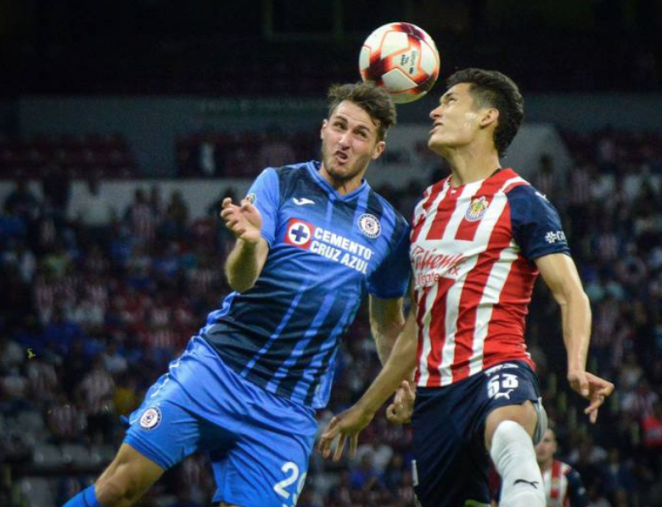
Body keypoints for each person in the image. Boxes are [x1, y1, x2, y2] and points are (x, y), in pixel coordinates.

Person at [61, 82, 411, 507]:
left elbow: (387, 322)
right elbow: (242, 279)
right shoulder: (280, 183)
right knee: (120, 487)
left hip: (286, 411)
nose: (345, 141)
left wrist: (402, 381)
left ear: (377, 149)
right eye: (339, 126)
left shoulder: (390, 228)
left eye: (360, 134)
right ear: (323, 129)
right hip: (217, 370)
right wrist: (247, 243)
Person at [319, 68, 614, 507]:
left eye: (450, 101)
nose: (434, 111)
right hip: (435, 396)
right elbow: (419, 324)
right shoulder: (427, 205)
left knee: (510, 432)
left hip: (496, 366)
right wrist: (365, 409)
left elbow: (571, 294)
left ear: (487, 117)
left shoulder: (521, 200)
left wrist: (575, 365)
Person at [534, 429, 590, 507]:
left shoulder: (568, 473)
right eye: (537, 440)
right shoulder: (520, 472)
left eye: (546, 441)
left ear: (554, 446)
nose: (541, 445)